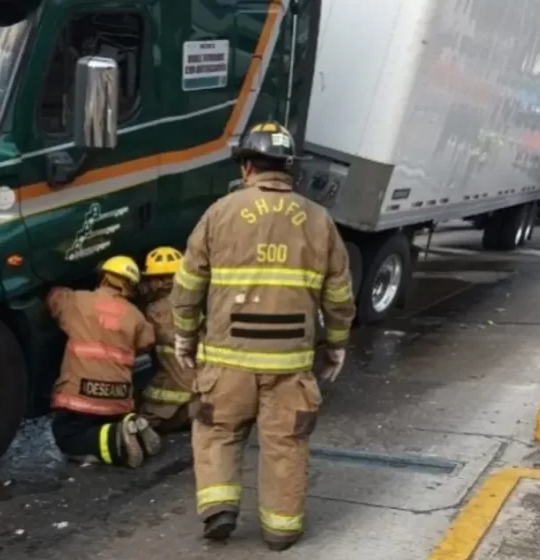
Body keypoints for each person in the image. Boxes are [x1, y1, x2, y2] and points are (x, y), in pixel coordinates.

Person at [170, 121, 357, 551]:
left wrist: (184, 336)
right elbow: (339, 294)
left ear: (248, 166)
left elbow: (189, 283)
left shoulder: (220, 213)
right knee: (285, 443)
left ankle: (219, 509)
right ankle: (281, 529)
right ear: (289, 168)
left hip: (227, 359)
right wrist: (337, 344)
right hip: (290, 365)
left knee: (216, 430)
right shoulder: (319, 220)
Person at [47, 255, 161, 468]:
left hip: (80, 398)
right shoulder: (135, 316)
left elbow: (53, 297)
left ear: (104, 277)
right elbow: (148, 341)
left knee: (67, 436)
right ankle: (126, 424)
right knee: (100, 425)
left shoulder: (77, 301)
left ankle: (117, 438)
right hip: (118, 401)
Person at [137, 246, 194, 433]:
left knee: (136, 411)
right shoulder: (198, 301)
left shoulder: (155, 310)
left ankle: (139, 430)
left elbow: (141, 343)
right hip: (206, 399)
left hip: (173, 405)